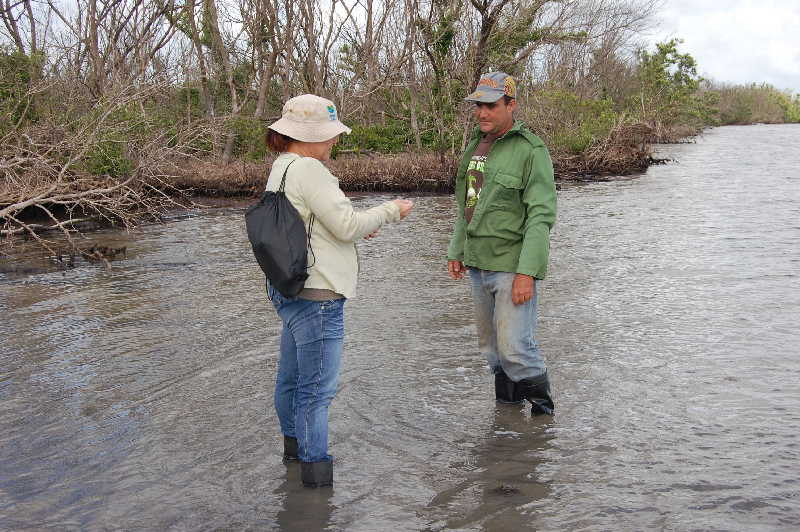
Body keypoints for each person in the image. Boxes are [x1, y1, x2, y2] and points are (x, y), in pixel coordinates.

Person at [264, 94, 414, 487]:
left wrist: (356, 224)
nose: (333, 142)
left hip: (289, 289)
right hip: (319, 296)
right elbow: (345, 227)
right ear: (308, 137)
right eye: (329, 136)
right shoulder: (310, 171)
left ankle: (293, 457)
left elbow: (317, 224)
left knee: (291, 380)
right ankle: (316, 483)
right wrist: (390, 210)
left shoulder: (281, 167)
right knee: (317, 391)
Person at [446, 72, 557, 416]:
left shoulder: (531, 150)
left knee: (515, 349)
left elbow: (541, 215)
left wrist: (527, 273)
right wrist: (456, 249)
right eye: (479, 106)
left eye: (491, 106)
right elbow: (468, 203)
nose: (482, 113)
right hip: (478, 263)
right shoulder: (476, 147)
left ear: (511, 105)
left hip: (512, 266)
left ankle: (543, 419)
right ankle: (508, 425)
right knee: (492, 350)